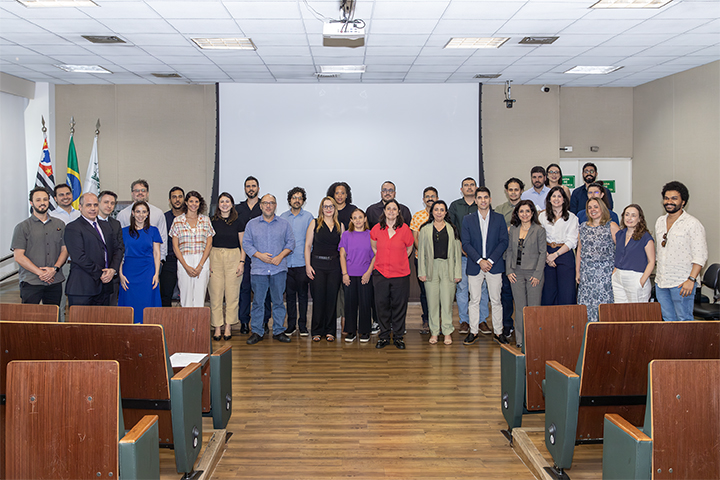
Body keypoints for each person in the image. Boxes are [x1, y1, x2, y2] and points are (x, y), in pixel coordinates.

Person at [243, 194, 295, 344]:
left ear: (275, 205)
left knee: (278, 301)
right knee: (258, 302)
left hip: (278, 269)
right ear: (260, 205)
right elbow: (246, 243)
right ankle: (257, 332)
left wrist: (280, 256)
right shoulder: (251, 224)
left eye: (271, 203)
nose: (268, 206)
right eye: (265, 203)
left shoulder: (284, 224)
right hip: (259, 269)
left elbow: (291, 243)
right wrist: (259, 255)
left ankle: (279, 330)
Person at [461, 187, 509, 345]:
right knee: (474, 300)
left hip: (494, 266)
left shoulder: (499, 218)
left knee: (496, 300)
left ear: (490, 199)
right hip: (475, 266)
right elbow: (466, 244)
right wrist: (479, 261)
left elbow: (504, 242)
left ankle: (498, 332)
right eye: (480, 197)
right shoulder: (467, 220)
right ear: (475, 200)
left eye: (485, 197)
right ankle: (473, 332)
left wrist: (490, 261)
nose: (483, 200)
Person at [654, 181, 707, 321]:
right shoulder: (660, 221)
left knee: (684, 321)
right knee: (667, 320)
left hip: (682, 283)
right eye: (666, 198)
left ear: (683, 202)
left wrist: (691, 280)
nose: (669, 201)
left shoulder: (693, 224)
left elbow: (700, 256)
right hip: (661, 282)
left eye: (674, 198)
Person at [11, 187, 68, 306]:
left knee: (53, 318)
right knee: (29, 319)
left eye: (45, 199)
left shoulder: (60, 224)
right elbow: (19, 257)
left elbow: (65, 250)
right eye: (38, 200)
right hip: (31, 282)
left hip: (55, 281)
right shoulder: (22, 227)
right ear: (31, 203)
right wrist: (41, 273)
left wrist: (54, 269)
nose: (42, 203)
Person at [64, 193, 123, 306]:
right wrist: (101, 273)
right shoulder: (73, 227)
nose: (93, 208)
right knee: (81, 323)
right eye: (88, 205)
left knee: (102, 322)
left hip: (105, 287)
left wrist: (112, 269)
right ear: (80, 207)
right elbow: (79, 257)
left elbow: (117, 249)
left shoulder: (106, 226)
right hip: (82, 288)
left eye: (95, 205)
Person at [370, 199, 414, 349]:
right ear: (384, 211)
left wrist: (397, 260)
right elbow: (375, 248)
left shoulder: (405, 229)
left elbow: (409, 249)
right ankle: (383, 336)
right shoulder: (376, 228)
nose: (391, 211)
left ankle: (398, 336)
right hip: (381, 274)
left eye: (394, 209)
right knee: (381, 306)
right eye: (388, 208)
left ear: (398, 212)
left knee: (399, 306)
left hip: (400, 275)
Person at [417, 200, 462, 345]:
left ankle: (447, 332)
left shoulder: (452, 229)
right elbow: (422, 252)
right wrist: (422, 272)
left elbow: (456, 254)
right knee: (432, 302)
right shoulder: (425, 229)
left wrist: (457, 273)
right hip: (431, 269)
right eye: (436, 210)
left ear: (446, 212)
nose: (439, 212)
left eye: (442, 210)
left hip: (448, 268)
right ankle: (434, 332)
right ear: (432, 212)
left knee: (447, 302)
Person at [448, 177, 488, 335]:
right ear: (461, 189)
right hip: (462, 255)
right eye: (466, 185)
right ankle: (464, 320)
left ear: (476, 188)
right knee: (463, 288)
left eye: (472, 185)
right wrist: (462, 247)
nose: (469, 188)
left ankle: (482, 320)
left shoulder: (482, 206)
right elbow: (452, 229)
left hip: (482, 257)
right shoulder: (455, 206)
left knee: (482, 288)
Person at [505, 200, 546, 350]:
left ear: (532, 213)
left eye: (527, 211)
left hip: (533, 274)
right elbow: (509, 251)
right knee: (520, 308)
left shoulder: (539, 230)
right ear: (517, 213)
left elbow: (543, 253)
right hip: (516, 273)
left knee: (533, 308)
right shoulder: (513, 230)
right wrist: (509, 270)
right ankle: (521, 341)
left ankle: (534, 339)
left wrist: (537, 274)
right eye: (521, 211)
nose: (524, 214)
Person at [236, 176, 271, 334]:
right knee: (244, 288)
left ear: (258, 188)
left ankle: (264, 321)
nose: (251, 188)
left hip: (262, 256)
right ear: (245, 189)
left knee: (264, 290)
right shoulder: (238, 209)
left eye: (253, 186)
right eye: (248, 186)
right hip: (244, 256)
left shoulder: (264, 207)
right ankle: (244, 321)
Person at [305, 197, 343, 342]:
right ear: (321, 208)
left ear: (335, 208)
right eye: (325, 206)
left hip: (334, 267)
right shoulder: (314, 223)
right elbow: (308, 246)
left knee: (332, 299)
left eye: (331, 206)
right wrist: (308, 266)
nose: (328, 209)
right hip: (317, 266)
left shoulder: (340, 225)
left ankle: (330, 330)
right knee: (319, 298)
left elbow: (343, 250)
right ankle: (316, 330)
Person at [576, 198, 619, 322]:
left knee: (604, 307)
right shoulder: (583, 227)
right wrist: (577, 272)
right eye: (590, 207)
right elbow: (580, 250)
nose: (592, 210)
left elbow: (621, 249)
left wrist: (616, 269)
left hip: (605, 274)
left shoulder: (611, 225)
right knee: (587, 307)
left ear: (602, 208)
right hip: (587, 274)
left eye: (595, 207)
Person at [118, 201, 162, 323]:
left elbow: (157, 253)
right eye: (138, 211)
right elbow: (119, 255)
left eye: (144, 212)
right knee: (129, 301)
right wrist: (120, 274)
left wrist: (156, 274)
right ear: (132, 213)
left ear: (148, 214)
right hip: (129, 271)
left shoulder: (154, 230)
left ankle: (148, 329)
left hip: (148, 271)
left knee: (147, 300)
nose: (141, 215)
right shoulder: (123, 231)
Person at [209, 192, 244, 341]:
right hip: (214, 257)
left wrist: (242, 262)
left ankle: (228, 326)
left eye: (227, 201)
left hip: (234, 257)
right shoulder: (211, 221)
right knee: (215, 294)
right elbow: (208, 243)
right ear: (218, 205)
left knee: (232, 294)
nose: (224, 204)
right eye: (222, 201)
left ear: (232, 204)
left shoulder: (238, 221)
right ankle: (217, 327)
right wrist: (208, 262)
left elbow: (243, 245)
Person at [169, 191, 214, 307]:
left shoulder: (206, 220)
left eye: (196, 201)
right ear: (186, 203)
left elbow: (209, 245)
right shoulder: (177, 221)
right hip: (184, 260)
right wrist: (186, 266)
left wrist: (200, 265)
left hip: (202, 260)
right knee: (186, 298)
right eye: (191, 201)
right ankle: (187, 325)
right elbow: (175, 246)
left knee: (200, 298)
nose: (194, 204)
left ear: (200, 203)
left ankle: (198, 325)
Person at [280, 187, 314, 336]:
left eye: (300, 198)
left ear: (303, 201)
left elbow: (310, 242)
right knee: (290, 296)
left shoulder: (309, 217)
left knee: (303, 296)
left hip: (302, 262)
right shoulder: (282, 217)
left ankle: (303, 325)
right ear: (289, 200)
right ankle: (291, 325)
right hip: (286, 263)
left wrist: (308, 262)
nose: (297, 200)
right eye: (294, 197)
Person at [339, 208, 375, 343]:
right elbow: (342, 255)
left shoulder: (371, 234)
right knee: (349, 304)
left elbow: (376, 256)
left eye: (360, 217)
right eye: (355, 218)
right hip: (349, 275)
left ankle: (365, 331)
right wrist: (345, 274)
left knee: (365, 304)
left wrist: (368, 273)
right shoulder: (346, 235)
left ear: (365, 219)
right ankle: (351, 331)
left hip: (365, 275)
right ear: (351, 220)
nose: (358, 220)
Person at [495, 177, 524, 338]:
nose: (513, 192)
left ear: (521, 191)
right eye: (510, 189)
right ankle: (507, 325)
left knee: (523, 294)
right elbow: (497, 232)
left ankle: (524, 326)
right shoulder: (500, 209)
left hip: (525, 259)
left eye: (516, 189)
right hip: (506, 257)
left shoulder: (527, 207)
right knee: (506, 293)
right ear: (507, 191)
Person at [539, 186, 579, 306]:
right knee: (548, 291)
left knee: (566, 291)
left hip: (564, 253)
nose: (556, 199)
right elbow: (538, 238)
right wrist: (547, 256)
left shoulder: (572, 218)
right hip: (545, 252)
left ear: (564, 200)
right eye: (553, 196)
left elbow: (572, 241)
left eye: (559, 196)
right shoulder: (542, 216)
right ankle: (549, 323)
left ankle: (567, 323)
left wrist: (555, 255)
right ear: (549, 199)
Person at [409, 186, 438, 334]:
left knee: (438, 291)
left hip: (440, 261)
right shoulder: (418, 216)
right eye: (427, 196)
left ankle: (437, 320)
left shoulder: (442, 214)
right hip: (421, 259)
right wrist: (425, 255)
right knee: (425, 292)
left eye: (433, 196)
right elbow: (415, 238)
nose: (430, 198)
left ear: (437, 199)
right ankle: (426, 319)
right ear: (423, 199)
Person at [612, 204, 655, 304]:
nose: (629, 218)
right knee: (621, 313)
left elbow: (651, 261)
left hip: (636, 278)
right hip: (618, 278)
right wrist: (614, 274)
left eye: (633, 215)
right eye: (627, 215)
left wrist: (641, 282)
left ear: (640, 219)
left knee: (637, 315)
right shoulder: (620, 234)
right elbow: (618, 256)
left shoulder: (645, 237)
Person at [117, 179, 168, 261]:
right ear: (132, 194)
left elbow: (163, 237)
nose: (140, 193)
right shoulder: (122, 214)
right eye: (137, 190)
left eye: (143, 190)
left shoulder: (158, 213)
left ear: (147, 194)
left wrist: (161, 259)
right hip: (129, 260)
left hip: (152, 260)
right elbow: (120, 240)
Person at [50, 183, 80, 319]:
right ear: (55, 198)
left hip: (81, 265)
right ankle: (60, 331)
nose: (65, 197)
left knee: (79, 302)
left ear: (72, 195)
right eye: (61, 195)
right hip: (62, 266)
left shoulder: (81, 214)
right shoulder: (50, 217)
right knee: (60, 302)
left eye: (68, 194)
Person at [97, 190, 125, 306]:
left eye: (112, 203)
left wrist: (113, 270)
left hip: (112, 276)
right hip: (94, 276)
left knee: (111, 313)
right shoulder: (90, 222)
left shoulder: (115, 224)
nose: (109, 206)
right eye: (106, 202)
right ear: (98, 203)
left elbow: (119, 248)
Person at [160, 186, 185, 306]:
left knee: (187, 294)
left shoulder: (189, 218)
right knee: (166, 294)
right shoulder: (164, 218)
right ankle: (165, 322)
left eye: (180, 197)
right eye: (174, 197)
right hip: (169, 260)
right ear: (170, 201)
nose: (177, 200)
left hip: (187, 260)